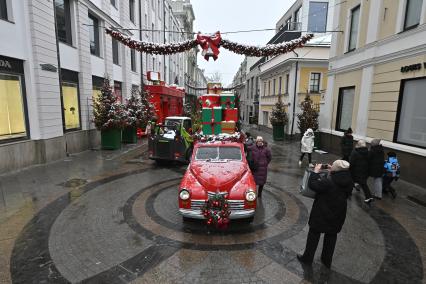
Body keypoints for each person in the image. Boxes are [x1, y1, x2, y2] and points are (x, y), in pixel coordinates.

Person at [297, 160, 354, 269]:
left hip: (322, 212)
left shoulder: (328, 182)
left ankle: (307, 258)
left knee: (314, 233)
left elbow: (313, 185)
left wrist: (315, 172)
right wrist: (333, 170)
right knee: (331, 236)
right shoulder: (349, 181)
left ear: (336, 170)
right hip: (338, 213)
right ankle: (326, 260)